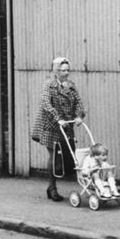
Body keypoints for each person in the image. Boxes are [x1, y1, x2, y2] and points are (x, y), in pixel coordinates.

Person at [31, 56, 85, 201]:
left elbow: (78, 102)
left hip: (66, 125)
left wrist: (79, 115)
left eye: (68, 70)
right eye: (62, 70)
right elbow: (46, 104)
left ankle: (54, 185)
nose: (66, 73)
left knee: (65, 155)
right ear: (56, 71)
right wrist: (57, 118)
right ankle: (52, 187)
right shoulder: (49, 85)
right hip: (51, 125)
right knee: (54, 155)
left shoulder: (71, 86)